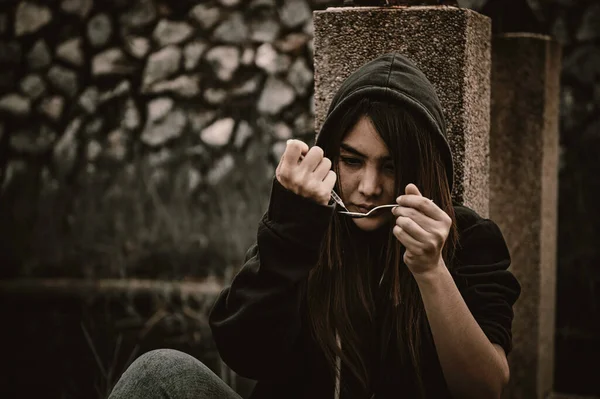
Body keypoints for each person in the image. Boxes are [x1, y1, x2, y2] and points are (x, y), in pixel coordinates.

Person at [109, 53, 521, 399]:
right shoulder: (308, 228)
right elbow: (247, 355)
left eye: (391, 166)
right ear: (331, 159)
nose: (368, 187)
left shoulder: (468, 239)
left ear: (421, 168)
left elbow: (485, 388)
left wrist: (431, 271)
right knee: (158, 373)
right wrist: (289, 230)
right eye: (353, 161)